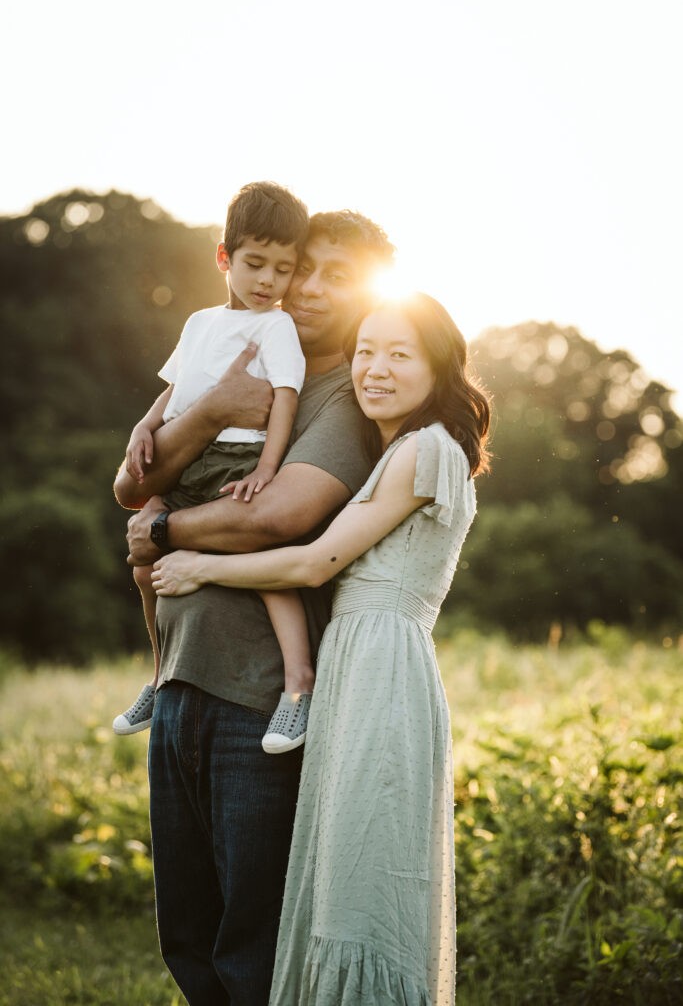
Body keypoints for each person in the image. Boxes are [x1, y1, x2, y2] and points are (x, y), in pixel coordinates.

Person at [150, 292, 491, 1005]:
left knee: (360, 876)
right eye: (365, 351)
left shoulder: (424, 449)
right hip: (361, 662)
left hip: (378, 669)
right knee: (341, 870)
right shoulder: (408, 448)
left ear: (439, 366)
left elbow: (314, 562)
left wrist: (200, 564)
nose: (374, 368)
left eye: (399, 354)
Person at [115, 210, 395, 1005]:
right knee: (189, 941)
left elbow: (279, 517)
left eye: (334, 276)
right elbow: (128, 484)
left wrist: (165, 529)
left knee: (252, 947)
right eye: (298, 266)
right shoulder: (229, 354)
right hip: (179, 678)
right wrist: (207, 412)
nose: (302, 287)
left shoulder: (344, 397)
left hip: (258, 699)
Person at [113, 181, 317, 753]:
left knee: (254, 558)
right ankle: (158, 674)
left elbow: (285, 397)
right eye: (255, 264)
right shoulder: (201, 323)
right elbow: (177, 391)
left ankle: (298, 686)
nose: (268, 281)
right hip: (185, 458)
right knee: (141, 556)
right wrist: (142, 427)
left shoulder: (275, 326)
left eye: (283, 269)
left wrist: (266, 468)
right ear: (224, 257)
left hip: (237, 455)